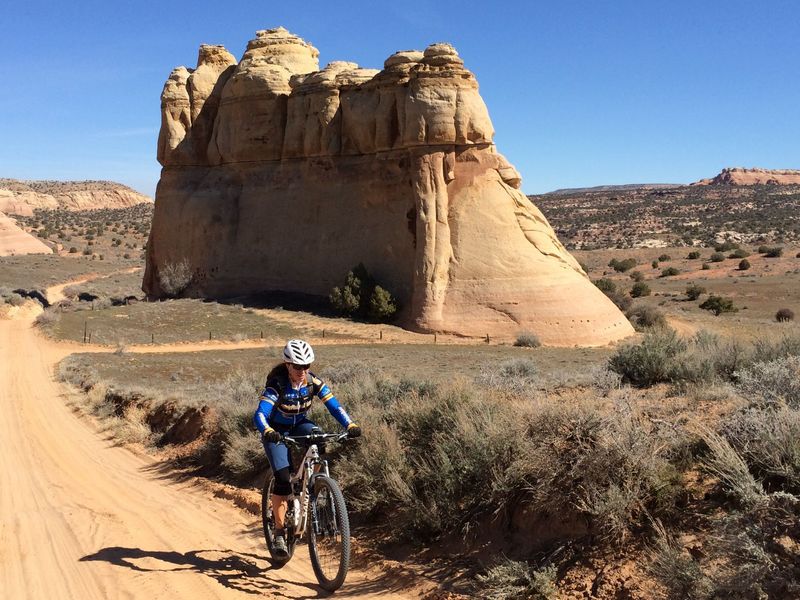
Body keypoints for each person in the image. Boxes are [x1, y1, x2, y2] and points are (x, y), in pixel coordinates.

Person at [253, 339, 361, 558]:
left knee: (319, 437)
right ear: (287, 365)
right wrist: (267, 431)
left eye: (307, 366)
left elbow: (334, 405)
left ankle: (316, 486)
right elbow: (260, 414)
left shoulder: (313, 382)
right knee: (283, 478)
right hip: (276, 430)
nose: (303, 371)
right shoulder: (277, 385)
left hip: (299, 424)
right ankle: (280, 532)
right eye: (297, 366)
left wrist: (349, 424)